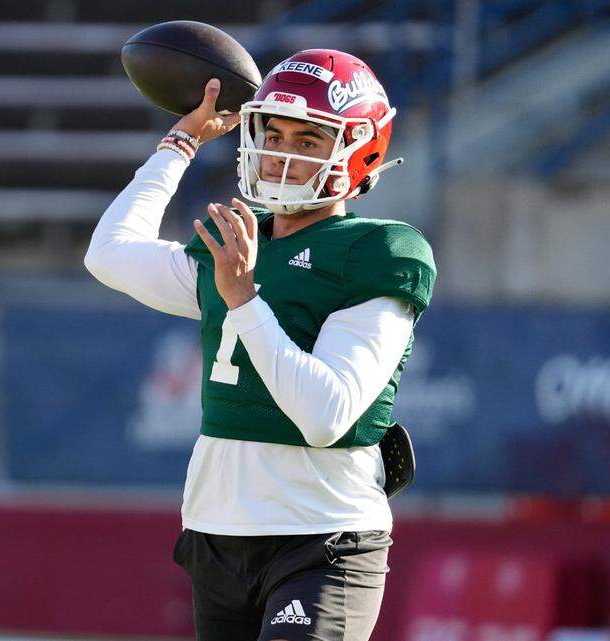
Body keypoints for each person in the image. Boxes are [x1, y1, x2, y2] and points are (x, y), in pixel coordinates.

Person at [84, 49, 436, 641]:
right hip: (216, 533)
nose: (281, 153)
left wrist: (245, 300)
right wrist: (179, 144)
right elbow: (109, 254)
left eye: (308, 140)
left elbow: (326, 415)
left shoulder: (376, 251)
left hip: (320, 536)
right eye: (273, 133)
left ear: (359, 150)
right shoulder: (235, 242)